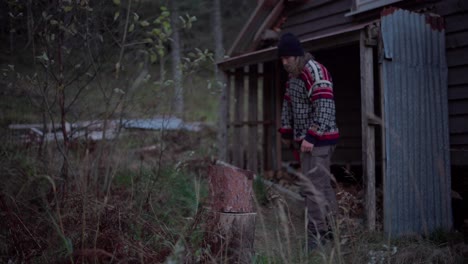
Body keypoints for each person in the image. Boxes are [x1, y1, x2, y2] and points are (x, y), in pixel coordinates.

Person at [277, 32, 339, 251]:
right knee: (320, 185)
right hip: (305, 140)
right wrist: (286, 131)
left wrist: (312, 135)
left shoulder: (315, 71)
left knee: (312, 187)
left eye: (288, 57)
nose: (284, 62)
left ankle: (317, 235)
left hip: (320, 139)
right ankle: (332, 228)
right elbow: (288, 103)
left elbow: (325, 106)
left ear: (297, 54)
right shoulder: (293, 75)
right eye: (282, 58)